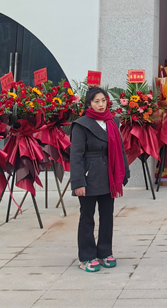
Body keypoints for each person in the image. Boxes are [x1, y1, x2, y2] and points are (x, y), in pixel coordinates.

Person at [70, 86, 129, 272]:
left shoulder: (113, 121)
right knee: (87, 217)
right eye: (96, 101)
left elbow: (119, 148)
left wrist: (124, 173)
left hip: (109, 176)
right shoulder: (81, 125)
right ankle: (86, 257)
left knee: (107, 216)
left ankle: (105, 252)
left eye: (103, 100)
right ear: (89, 104)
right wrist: (78, 182)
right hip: (89, 176)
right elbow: (76, 155)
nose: (101, 104)